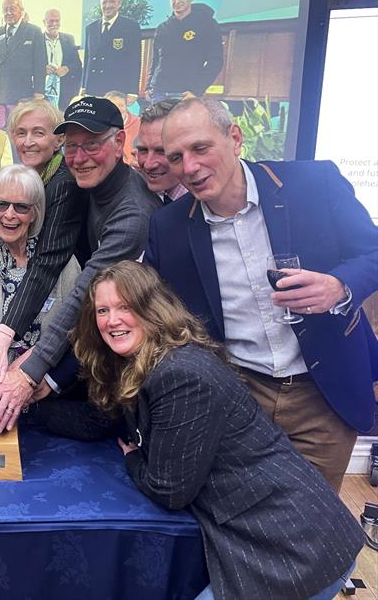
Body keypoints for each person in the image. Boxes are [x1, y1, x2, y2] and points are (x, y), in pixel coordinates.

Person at [71, 261, 363, 600]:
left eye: (124, 306)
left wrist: (134, 459)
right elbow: (95, 421)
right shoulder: (148, 362)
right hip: (275, 535)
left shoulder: (179, 374)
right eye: (102, 310)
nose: (111, 320)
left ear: (153, 308)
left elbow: (169, 490)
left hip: (296, 547)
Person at [144, 97, 378, 491]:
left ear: (235, 137)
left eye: (201, 148)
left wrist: (339, 287)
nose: (190, 168)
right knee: (245, 521)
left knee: (316, 530)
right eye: (177, 157)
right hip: (236, 396)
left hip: (320, 397)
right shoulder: (168, 229)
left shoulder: (313, 185)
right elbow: (147, 309)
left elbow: (372, 251)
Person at [0, 97, 160, 432]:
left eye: (91, 145)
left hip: (126, 364)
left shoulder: (132, 213)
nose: (78, 158)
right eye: (72, 147)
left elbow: (85, 293)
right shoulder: (89, 184)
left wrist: (32, 371)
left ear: (119, 141)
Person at [0, 99, 88, 393]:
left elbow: (49, 268)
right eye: (20, 133)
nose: (28, 141)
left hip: (46, 375)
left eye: (38, 133)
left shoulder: (62, 184)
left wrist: (23, 368)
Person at [0, 164, 80, 369]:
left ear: (34, 213)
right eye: (1, 205)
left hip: (45, 373)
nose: (9, 215)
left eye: (21, 207)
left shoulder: (56, 252)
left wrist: (22, 371)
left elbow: (72, 325)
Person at [146, 0, 223, 102]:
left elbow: (216, 61)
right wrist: (149, 85)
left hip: (185, 94)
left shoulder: (207, 24)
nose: (177, 1)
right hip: (158, 93)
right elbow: (155, 60)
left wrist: (196, 90)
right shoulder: (162, 28)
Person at [0, 0, 46, 129]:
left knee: (19, 130)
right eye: (5, 9)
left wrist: (39, 92)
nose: (8, 12)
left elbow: (40, 65)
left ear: (21, 11)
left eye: (13, 8)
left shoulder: (33, 32)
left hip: (21, 95)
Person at [82, 0, 142, 99]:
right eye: (104, 2)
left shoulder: (130, 27)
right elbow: (87, 60)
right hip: (93, 88)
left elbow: (135, 61)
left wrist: (133, 91)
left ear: (119, 4)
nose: (107, 5)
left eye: (112, 2)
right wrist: (83, 86)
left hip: (117, 89)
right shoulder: (91, 28)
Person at [133, 98, 188, 203]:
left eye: (161, 151)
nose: (148, 164)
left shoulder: (213, 206)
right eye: (143, 150)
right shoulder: (132, 189)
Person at [42, 9, 82, 110]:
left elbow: (77, 65)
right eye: (51, 21)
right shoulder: (37, 40)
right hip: (43, 94)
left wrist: (67, 68)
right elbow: (30, 64)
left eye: (57, 21)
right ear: (44, 22)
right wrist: (43, 68)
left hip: (65, 94)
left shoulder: (69, 39)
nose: (54, 24)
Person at [105, 91, 139, 164]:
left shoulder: (139, 124)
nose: (118, 108)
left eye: (121, 105)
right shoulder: (98, 124)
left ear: (126, 106)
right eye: (113, 105)